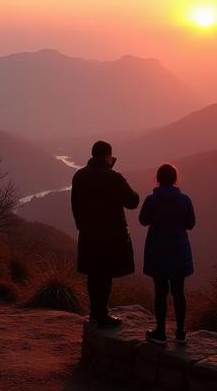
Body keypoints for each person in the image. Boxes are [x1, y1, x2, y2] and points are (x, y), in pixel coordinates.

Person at [71, 140, 139, 327]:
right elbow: (133, 201)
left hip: (88, 234)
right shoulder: (113, 177)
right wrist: (113, 172)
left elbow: (75, 205)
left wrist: (81, 226)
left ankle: (95, 313)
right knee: (105, 275)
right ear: (108, 156)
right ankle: (102, 315)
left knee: (93, 275)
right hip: (110, 236)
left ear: (93, 155)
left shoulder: (79, 176)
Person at [139, 163, 196, 345]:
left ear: (157, 179)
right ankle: (180, 332)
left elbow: (143, 220)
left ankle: (161, 331)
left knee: (160, 291)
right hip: (179, 249)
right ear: (175, 180)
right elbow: (190, 224)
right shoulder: (185, 200)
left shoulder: (151, 200)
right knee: (179, 292)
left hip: (158, 250)